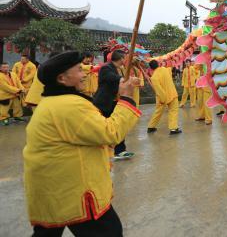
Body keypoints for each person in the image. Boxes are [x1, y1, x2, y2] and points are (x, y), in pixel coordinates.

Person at [23, 51, 141, 237]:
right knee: (109, 232)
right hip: (73, 190)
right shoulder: (69, 105)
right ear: (62, 78)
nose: (85, 73)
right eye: (79, 70)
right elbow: (111, 133)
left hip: (53, 187)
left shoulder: (51, 102)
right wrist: (126, 97)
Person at [93, 50, 135, 160]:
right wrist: (124, 79)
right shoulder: (106, 68)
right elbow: (112, 78)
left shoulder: (117, 69)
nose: (125, 60)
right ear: (121, 58)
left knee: (117, 125)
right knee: (103, 127)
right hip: (102, 103)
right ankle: (101, 149)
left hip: (112, 101)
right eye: (124, 58)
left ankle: (120, 150)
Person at [146, 60, 181, 134]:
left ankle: (151, 127)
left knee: (158, 112)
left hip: (161, 98)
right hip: (172, 94)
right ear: (158, 64)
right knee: (173, 111)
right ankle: (173, 128)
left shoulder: (154, 78)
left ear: (151, 68)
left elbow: (159, 90)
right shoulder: (165, 69)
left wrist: (163, 99)